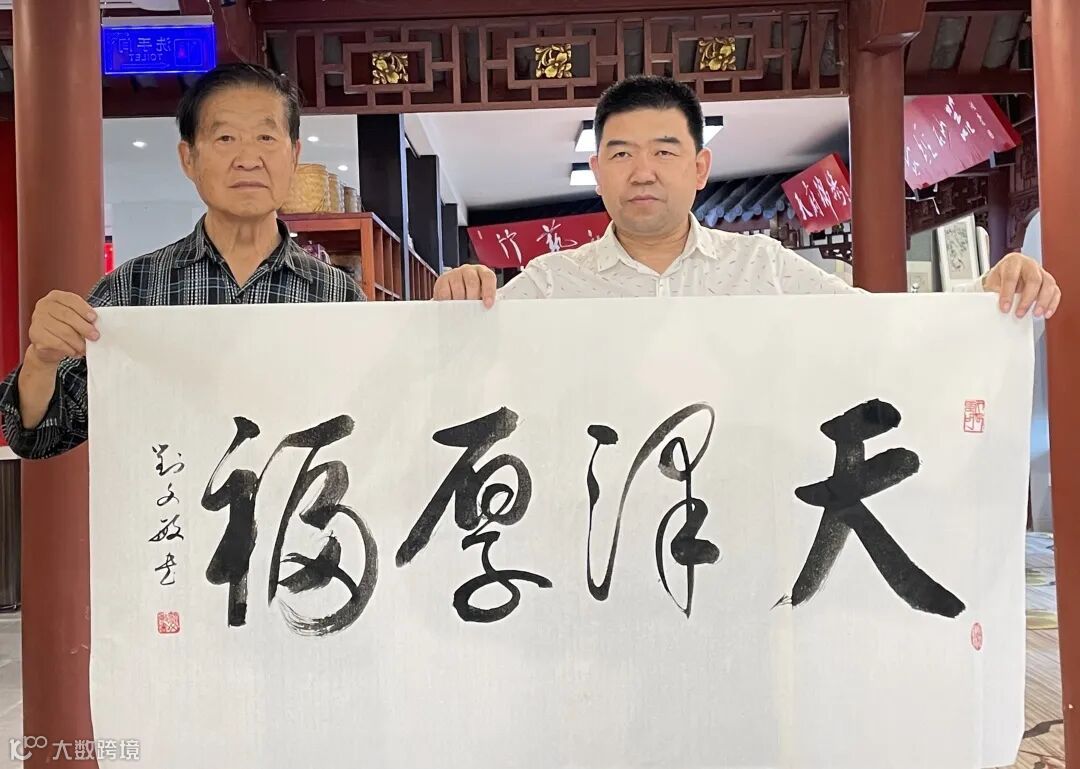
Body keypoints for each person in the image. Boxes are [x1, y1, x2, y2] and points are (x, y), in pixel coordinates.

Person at [434, 75, 1060, 318]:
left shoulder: (765, 270)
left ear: (700, 167)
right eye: (621, 155)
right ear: (598, 173)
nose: (642, 172)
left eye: (665, 151)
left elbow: (875, 332)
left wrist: (987, 303)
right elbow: (467, 371)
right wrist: (456, 307)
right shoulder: (548, 286)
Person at [0, 63, 364, 460]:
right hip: (170, 497)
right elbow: (38, 436)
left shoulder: (338, 296)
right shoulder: (134, 288)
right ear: (188, 158)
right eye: (225, 137)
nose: (248, 158)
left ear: (293, 155)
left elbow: (372, 428)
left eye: (265, 136)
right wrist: (42, 358)